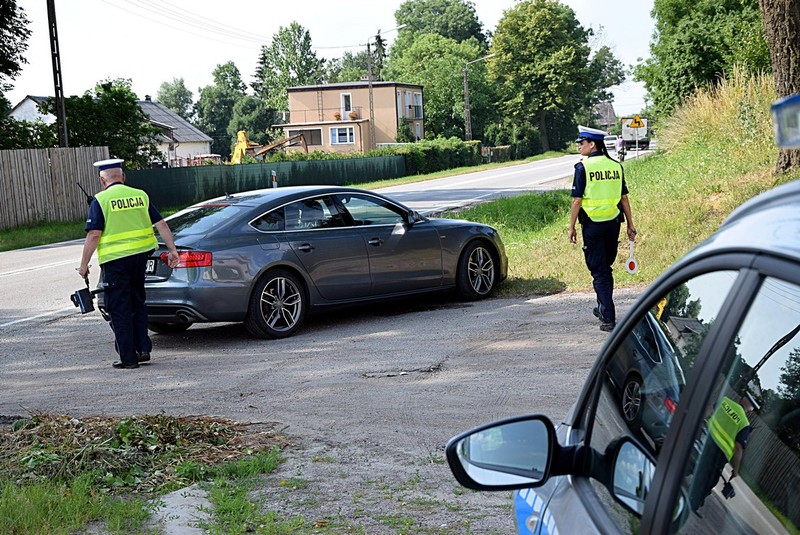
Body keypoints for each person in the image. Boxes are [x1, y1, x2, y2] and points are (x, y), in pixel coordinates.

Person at [77, 158, 180, 369]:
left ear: (102, 180)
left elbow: (94, 234)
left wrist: (84, 264)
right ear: (123, 177)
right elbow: (161, 223)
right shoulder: (140, 195)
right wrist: (172, 250)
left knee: (119, 308)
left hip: (115, 262)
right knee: (137, 303)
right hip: (140, 258)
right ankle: (143, 349)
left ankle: (128, 358)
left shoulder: (101, 200)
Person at [568, 126, 636, 331]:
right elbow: (624, 198)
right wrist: (631, 225)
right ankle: (602, 306)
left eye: (582, 143)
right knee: (605, 268)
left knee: (599, 272)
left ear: (592, 144)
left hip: (593, 226)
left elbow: (576, 201)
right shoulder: (616, 166)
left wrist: (571, 227)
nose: (579, 146)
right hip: (613, 224)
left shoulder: (583, 168)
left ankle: (608, 316)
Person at [689, 393, 756, 516]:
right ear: (750, 411)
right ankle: (693, 502)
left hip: (706, 440)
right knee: (709, 480)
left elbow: (708, 410)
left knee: (694, 461)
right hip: (720, 455)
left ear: (741, 399)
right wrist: (735, 470)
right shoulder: (744, 423)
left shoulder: (725, 402)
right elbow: (739, 447)